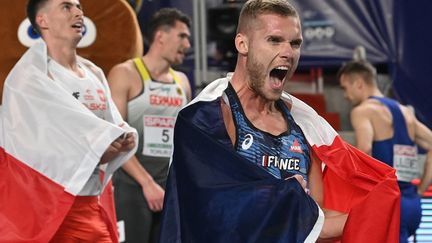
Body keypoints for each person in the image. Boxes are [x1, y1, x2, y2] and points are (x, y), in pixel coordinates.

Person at [159, 0, 400, 242]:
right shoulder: (210, 119)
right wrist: (283, 196)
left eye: (295, 43)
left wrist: (376, 213)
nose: (288, 52)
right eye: (274, 40)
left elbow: (313, 220)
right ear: (242, 44)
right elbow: (216, 212)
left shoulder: (305, 128)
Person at [0, 0, 137, 242]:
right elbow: (26, 146)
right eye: (66, 7)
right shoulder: (28, 79)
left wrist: (121, 140)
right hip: (48, 209)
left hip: (92, 203)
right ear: (42, 21)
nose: (78, 12)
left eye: (79, 7)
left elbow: (110, 126)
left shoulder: (94, 73)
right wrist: (97, 149)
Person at [107, 8, 192, 243]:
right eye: (182, 36)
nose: (187, 44)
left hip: (169, 187)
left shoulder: (182, 82)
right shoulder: (125, 73)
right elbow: (116, 137)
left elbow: (185, 139)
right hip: (131, 185)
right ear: (160, 37)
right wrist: (146, 183)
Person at [338, 60, 432, 243]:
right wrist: (421, 188)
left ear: (358, 83)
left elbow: (365, 150)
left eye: (345, 88)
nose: (345, 96)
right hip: (413, 205)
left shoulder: (363, 111)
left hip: (389, 206)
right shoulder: (406, 113)